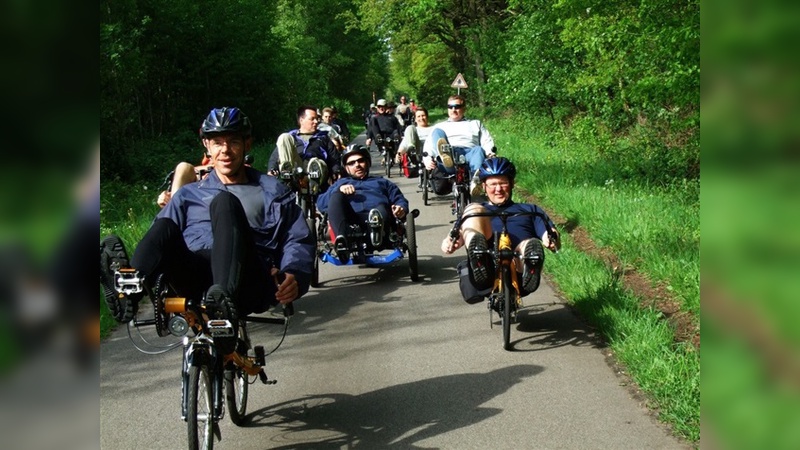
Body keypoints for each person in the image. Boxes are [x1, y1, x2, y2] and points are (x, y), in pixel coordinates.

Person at [100, 107, 315, 331]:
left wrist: (294, 273)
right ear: (207, 146)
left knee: (224, 203)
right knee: (165, 225)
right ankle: (128, 290)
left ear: (247, 144)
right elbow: (160, 244)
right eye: (217, 143)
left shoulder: (272, 190)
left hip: (247, 277)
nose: (225, 150)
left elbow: (296, 238)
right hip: (194, 277)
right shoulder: (188, 194)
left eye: (233, 142)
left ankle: (222, 302)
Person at [442, 157, 560, 303]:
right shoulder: (478, 211)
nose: (498, 189)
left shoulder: (530, 210)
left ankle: (531, 264)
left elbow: (549, 232)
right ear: (484, 186)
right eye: (493, 184)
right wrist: (450, 242)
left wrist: (551, 239)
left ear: (512, 184)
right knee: (473, 208)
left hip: (518, 267)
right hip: (487, 267)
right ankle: (479, 257)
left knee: (529, 244)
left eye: (503, 183)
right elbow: (457, 236)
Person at [316, 144, 409, 263]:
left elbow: (399, 199)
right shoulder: (340, 184)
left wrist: (400, 208)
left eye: (361, 160)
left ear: (368, 162)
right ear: (346, 168)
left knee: (379, 209)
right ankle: (342, 242)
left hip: (379, 218)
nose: (357, 165)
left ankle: (376, 234)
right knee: (335, 196)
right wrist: (338, 190)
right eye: (352, 163)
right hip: (349, 221)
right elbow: (321, 204)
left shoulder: (382, 182)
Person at [422, 94, 497, 196]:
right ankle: (446, 154)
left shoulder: (475, 123)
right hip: (450, 154)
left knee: (479, 149)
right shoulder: (440, 126)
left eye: (457, 107)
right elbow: (429, 144)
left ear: (464, 108)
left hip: (471, 153)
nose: (453, 109)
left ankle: (475, 180)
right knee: (437, 132)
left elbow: (486, 139)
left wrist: (490, 153)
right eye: (450, 107)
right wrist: (427, 159)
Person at [268, 105, 341, 193]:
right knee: (284, 137)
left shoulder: (323, 137)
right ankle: (288, 174)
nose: (316, 121)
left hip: (317, 171)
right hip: (296, 169)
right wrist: (272, 169)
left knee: (316, 162)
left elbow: (334, 157)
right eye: (312, 119)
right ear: (301, 120)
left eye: (317, 118)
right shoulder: (292, 136)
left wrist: (336, 171)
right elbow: (277, 155)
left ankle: (314, 183)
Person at [397, 107, 432, 186]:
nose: (421, 118)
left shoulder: (433, 128)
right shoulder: (413, 130)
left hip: (431, 152)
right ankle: (412, 150)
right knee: (409, 128)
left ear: (427, 117)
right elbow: (404, 144)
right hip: (418, 151)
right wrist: (399, 153)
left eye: (423, 116)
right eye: (418, 116)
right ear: (415, 119)